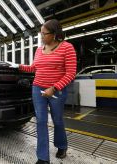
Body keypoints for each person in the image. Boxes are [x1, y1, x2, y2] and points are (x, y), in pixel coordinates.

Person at [19, 19, 77, 164]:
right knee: (41, 122)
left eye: (44, 34)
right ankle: (43, 158)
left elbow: (70, 73)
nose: (41, 37)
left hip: (57, 91)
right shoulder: (39, 49)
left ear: (55, 34)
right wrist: (18, 66)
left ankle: (62, 145)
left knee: (57, 120)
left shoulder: (67, 48)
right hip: (37, 88)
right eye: (41, 34)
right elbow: (34, 68)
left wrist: (54, 87)